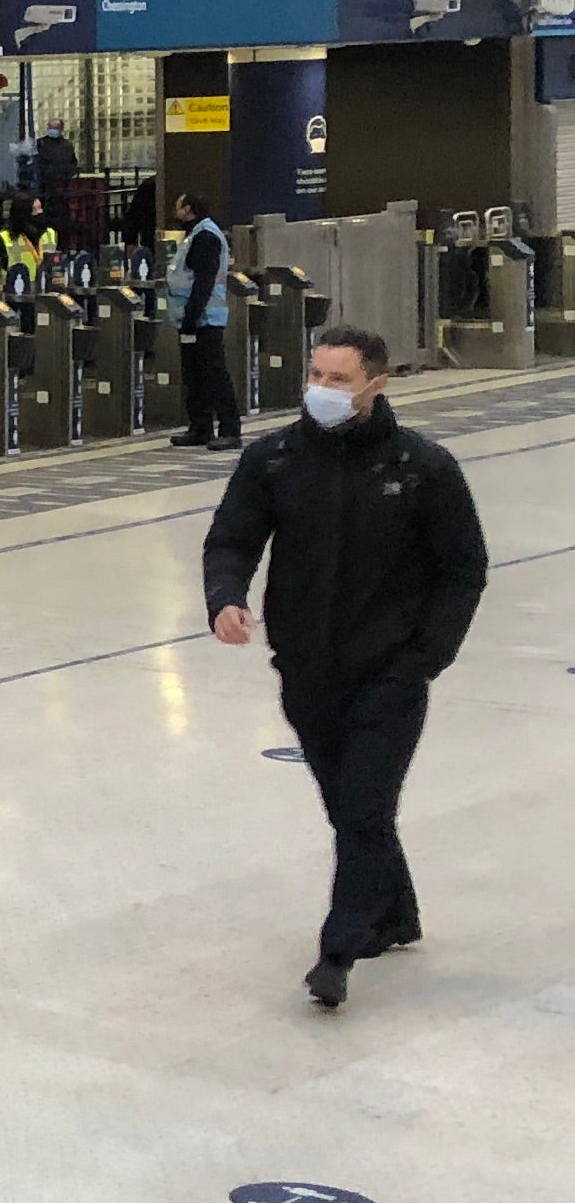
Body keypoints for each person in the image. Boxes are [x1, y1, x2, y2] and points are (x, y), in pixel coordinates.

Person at [201, 325, 487, 1009]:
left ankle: (339, 947)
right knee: (349, 805)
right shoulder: (275, 459)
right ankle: (396, 914)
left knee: (362, 804)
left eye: (338, 379)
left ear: (375, 385)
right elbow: (232, 539)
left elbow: (463, 570)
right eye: (316, 376)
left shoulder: (421, 468)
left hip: (390, 668)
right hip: (306, 665)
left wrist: (427, 658)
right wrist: (225, 599)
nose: (322, 390)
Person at [169, 200, 241, 450]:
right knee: (194, 374)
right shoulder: (194, 235)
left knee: (214, 373)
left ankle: (230, 429)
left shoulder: (206, 236)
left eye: (179, 206)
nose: (174, 211)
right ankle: (200, 426)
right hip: (192, 317)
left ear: (189, 209)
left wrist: (192, 314)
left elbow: (204, 280)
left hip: (205, 318)